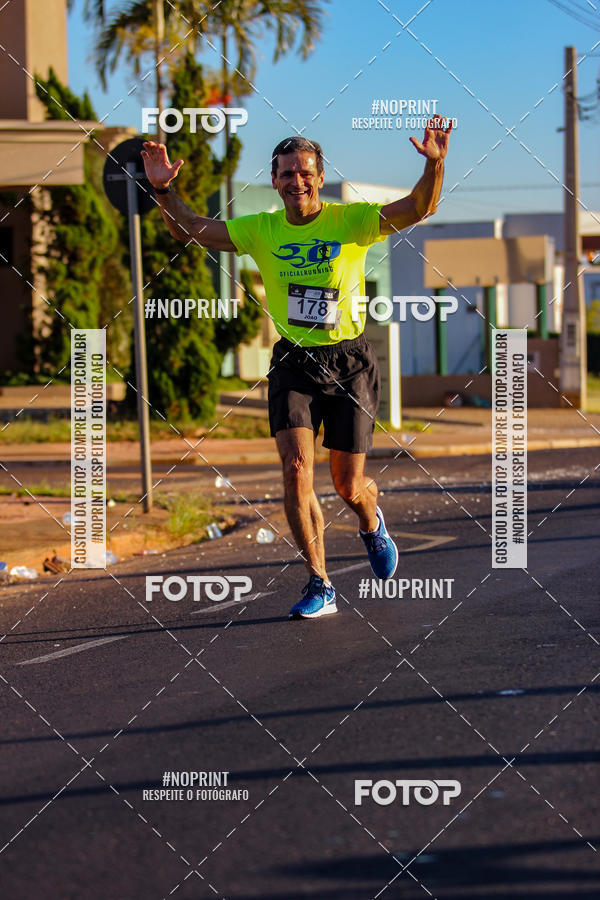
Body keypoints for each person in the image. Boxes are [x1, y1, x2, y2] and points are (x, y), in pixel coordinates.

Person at [141, 118, 452, 619]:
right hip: (292, 361)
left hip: (348, 362)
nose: (296, 182)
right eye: (286, 174)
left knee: (348, 486)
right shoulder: (261, 228)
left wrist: (434, 163)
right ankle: (319, 581)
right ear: (275, 181)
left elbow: (420, 207)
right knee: (296, 470)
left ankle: (372, 522)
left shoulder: (351, 221)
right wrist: (163, 190)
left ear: (320, 176)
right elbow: (191, 229)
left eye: (304, 172)